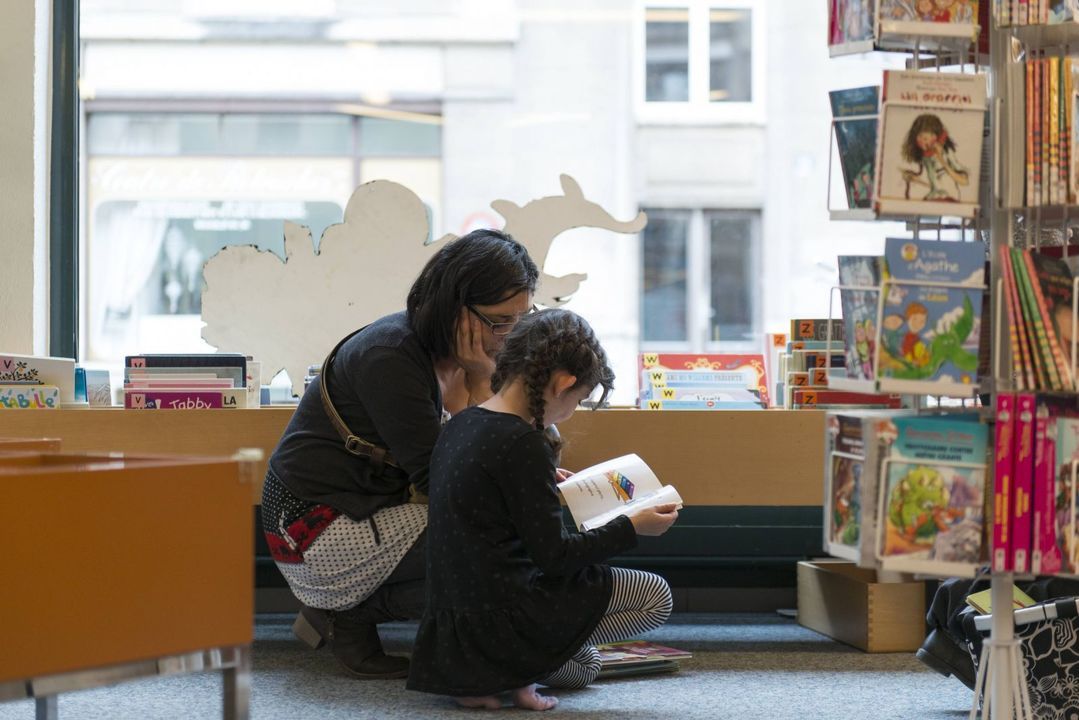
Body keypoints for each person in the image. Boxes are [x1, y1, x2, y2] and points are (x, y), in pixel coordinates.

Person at [261, 228, 539, 679]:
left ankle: (351, 607)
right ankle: (348, 613)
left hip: (366, 509)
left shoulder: (454, 352)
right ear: (456, 308)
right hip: (308, 529)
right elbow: (444, 484)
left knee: (512, 537)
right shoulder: (391, 355)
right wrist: (484, 381)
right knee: (498, 540)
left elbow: (486, 459)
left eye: (521, 318)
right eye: (499, 320)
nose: (510, 334)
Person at [407, 309, 679, 711]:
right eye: (578, 400)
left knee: (582, 666)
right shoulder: (523, 444)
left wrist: (538, 481)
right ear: (563, 383)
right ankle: (513, 668)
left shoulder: (461, 425)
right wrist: (631, 526)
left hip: (452, 631)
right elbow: (555, 558)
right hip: (506, 613)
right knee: (656, 596)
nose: (570, 413)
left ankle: (484, 675)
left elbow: (480, 504)